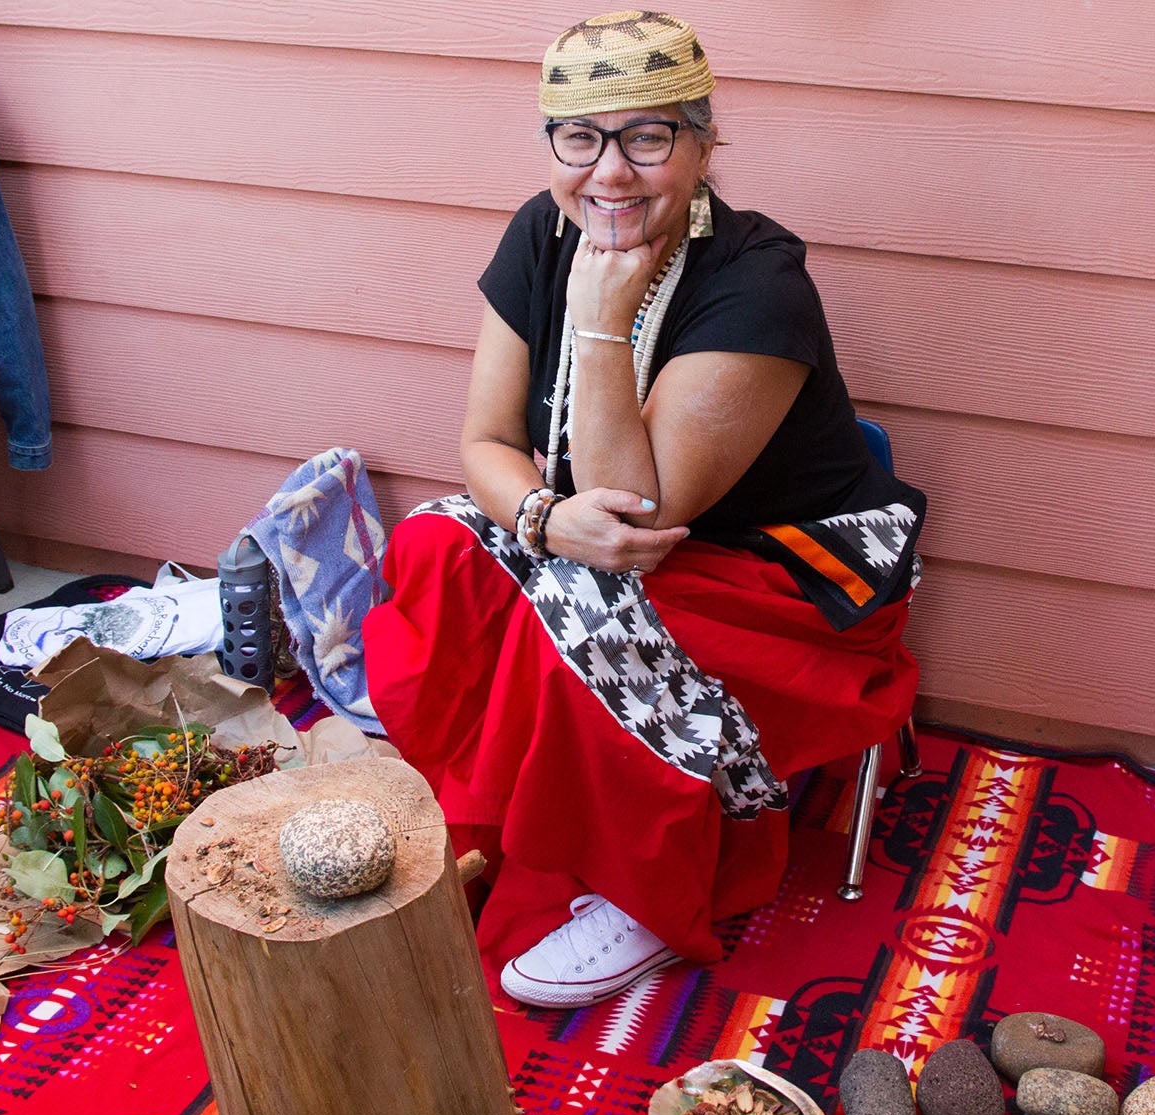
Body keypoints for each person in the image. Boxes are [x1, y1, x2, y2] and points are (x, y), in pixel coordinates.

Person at [361, 10, 927, 1010]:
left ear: (705, 144)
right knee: (437, 542)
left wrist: (598, 320)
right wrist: (539, 517)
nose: (608, 173)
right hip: (606, 531)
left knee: (578, 610)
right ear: (551, 144)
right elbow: (484, 442)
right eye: (578, 138)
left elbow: (639, 508)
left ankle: (638, 891)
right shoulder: (541, 229)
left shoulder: (760, 278)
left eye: (647, 136)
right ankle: (487, 811)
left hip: (784, 575)